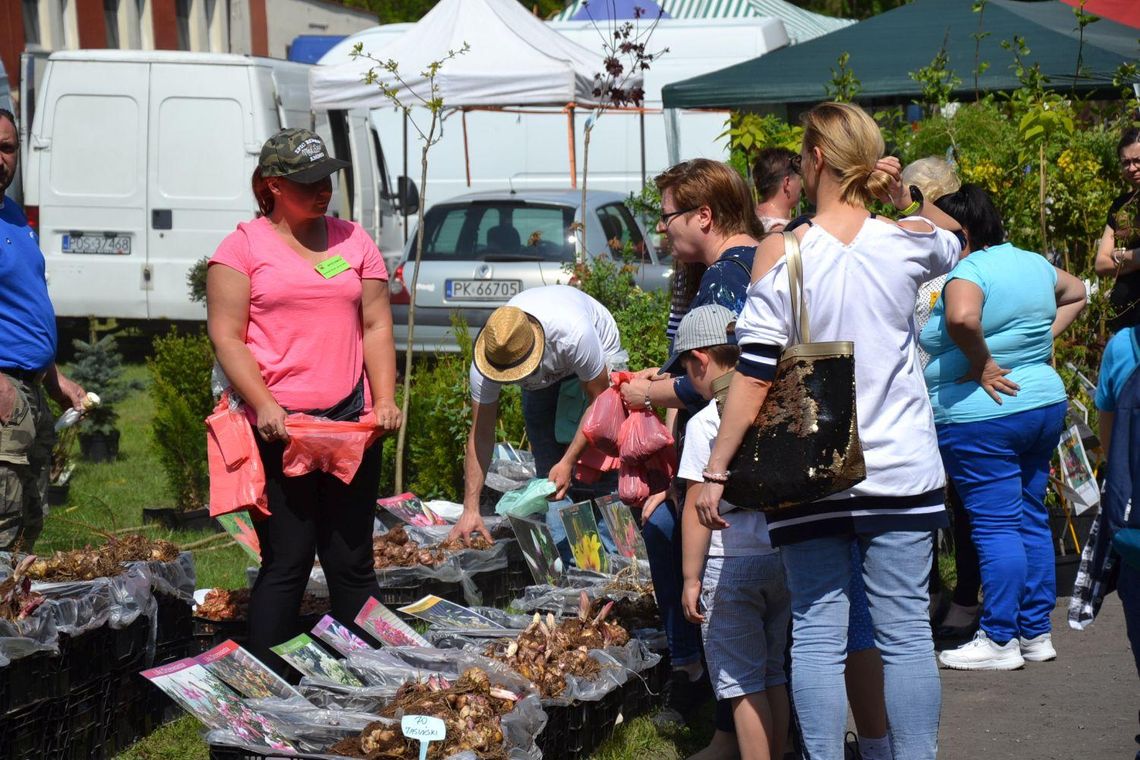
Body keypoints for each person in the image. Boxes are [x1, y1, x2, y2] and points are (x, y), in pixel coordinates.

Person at [695, 102, 965, 760]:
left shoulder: (782, 254)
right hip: (901, 468)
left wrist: (715, 469)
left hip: (809, 467)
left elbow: (755, 376)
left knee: (817, 631)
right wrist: (907, 196)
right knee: (904, 632)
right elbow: (958, 235)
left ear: (813, 160)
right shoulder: (909, 240)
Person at [206, 128, 401, 673]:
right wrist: (264, 404)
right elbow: (227, 336)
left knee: (352, 561)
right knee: (287, 561)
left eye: (328, 179)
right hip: (280, 429)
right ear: (274, 186)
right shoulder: (242, 246)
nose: (323, 190)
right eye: (309, 182)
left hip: (348, 427)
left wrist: (384, 398)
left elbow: (377, 324)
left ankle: (373, 679)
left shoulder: (353, 240)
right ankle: (271, 683)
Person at [617, 159, 762, 738]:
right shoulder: (762, 255)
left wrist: (646, 390)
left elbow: (720, 377)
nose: (663, 229)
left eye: (669, 216)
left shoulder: (726, 276)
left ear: (704, 215)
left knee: (678, 545)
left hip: (726, 459)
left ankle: (698, 682)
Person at [923, 185, 1087, 671]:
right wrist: (1035, 343)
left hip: (984, 416)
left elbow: (961, 316)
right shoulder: (1031, 262)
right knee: (1030, 516)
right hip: (1041, 403)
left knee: (995, 526)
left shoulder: (967, 270)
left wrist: (986, 362)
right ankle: (1036, 632)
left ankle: (998, 639)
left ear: (962, 233)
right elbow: (1077, 290)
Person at [674, 304, 791, 760]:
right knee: (774, 671)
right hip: (779, 559)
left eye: (685, 369)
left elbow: (694, 511)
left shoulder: (706, 422)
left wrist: (690, 578)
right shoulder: (772, 406)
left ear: (700, 361)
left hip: (731, 562)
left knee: (742, 683)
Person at [449, 285, 623, 547]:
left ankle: (614, 555)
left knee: (599, 465)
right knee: (548, 476)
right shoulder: (492, 353)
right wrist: (470, 508)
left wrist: (569, 460)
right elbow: (481, 433)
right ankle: (566, 561)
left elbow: (600, 403)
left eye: (519, 371)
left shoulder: (574, 334)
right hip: (551, 366)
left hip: (593, 361)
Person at [0, 108, 87, 552]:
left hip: (29, 390)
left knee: (27, 522)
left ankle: (12, 618)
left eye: (7, 148)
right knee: (2, 520)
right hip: (4, 392)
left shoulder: (12, 214)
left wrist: (54, 378)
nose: (0, 158)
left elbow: (20, 307)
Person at [1094, 128, 1140, 333]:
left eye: (1138, 160)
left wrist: (1121, 255)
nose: (1132, 168)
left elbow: (1111, 259)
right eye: (1126, 163)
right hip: (1125, 318)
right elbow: (1102, 263)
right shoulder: (1120, 206)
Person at [752, 147, 802, 233]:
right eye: (799, 179)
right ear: (787, 183)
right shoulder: (780, 231)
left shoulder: (748, 221)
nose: (801, 186)